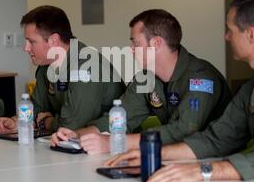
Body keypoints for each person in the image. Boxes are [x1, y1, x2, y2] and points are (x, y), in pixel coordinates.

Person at [106, 0, 254, 182]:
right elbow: (218, 139)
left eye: (230, 30)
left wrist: (202, 171)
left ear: (251, 35)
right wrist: (152, 153)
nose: (226, 36)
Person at [52, 9, 231, 154]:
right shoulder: (146, 78)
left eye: (136, 44)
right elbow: (119, 118)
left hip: (216, 161)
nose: (131, 50)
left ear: (156, 43)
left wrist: (114, 143)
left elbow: (184, 130)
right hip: (175, 158)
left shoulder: (201, 78)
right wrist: (76, 136)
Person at [0, 5, 125, 135]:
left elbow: (72, 126)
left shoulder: (87, 66)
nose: (26, 48)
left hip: (112, 144)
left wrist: (46, 121)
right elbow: (36, 107)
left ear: (54, 40)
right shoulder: (46, 66)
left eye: (31, 42)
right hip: (76, 146)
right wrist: (18, 122)